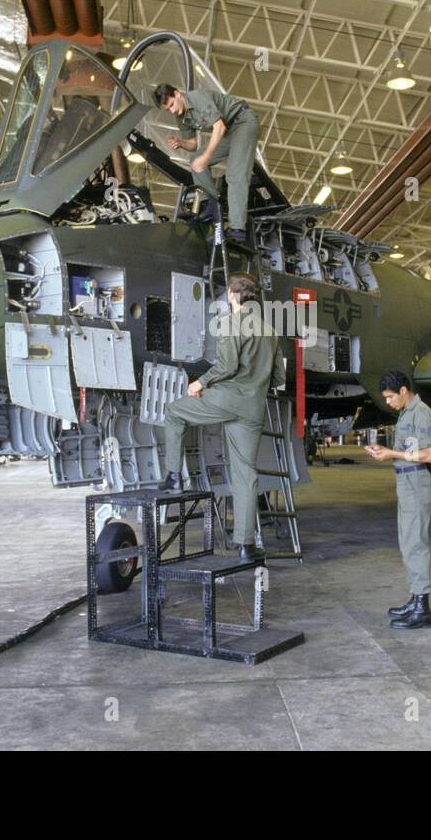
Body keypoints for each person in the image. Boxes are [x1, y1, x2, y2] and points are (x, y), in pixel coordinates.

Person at [160, 272, 284, 561]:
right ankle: (245, 545)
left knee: (174, 412)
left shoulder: (231, 323)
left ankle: (174, 476)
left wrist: (199, 383)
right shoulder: (270, 331)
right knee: (245, 474)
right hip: (253, 408)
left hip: (227, 399)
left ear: (231, 294)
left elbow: (226, 366)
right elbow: (278, 377)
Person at [365, 370, 431, 629]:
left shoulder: (421, 413)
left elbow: (429, 455)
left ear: (404, 391)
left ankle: (422, 609)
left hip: (416, 483)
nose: (387, 402)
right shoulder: (407, 413)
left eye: (389, 397)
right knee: (408, 542)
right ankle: (415, 598)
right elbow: (410, 451)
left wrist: (391, 453)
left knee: (415, 543)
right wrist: (385, 453)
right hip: (407, 482)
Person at [154, 83, 258, 241]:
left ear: (177, 94)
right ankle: (210, 205)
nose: (172, 110)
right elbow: (193, 144)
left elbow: (219, 127)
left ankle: (237, 229)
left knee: (235, 175)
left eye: (171, 104)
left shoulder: (198, 98)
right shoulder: (181, 117)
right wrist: (181, 142)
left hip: (243, 122)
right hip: (230, 132)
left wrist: (207, 157)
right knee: (195, 158)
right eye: (168, 109)